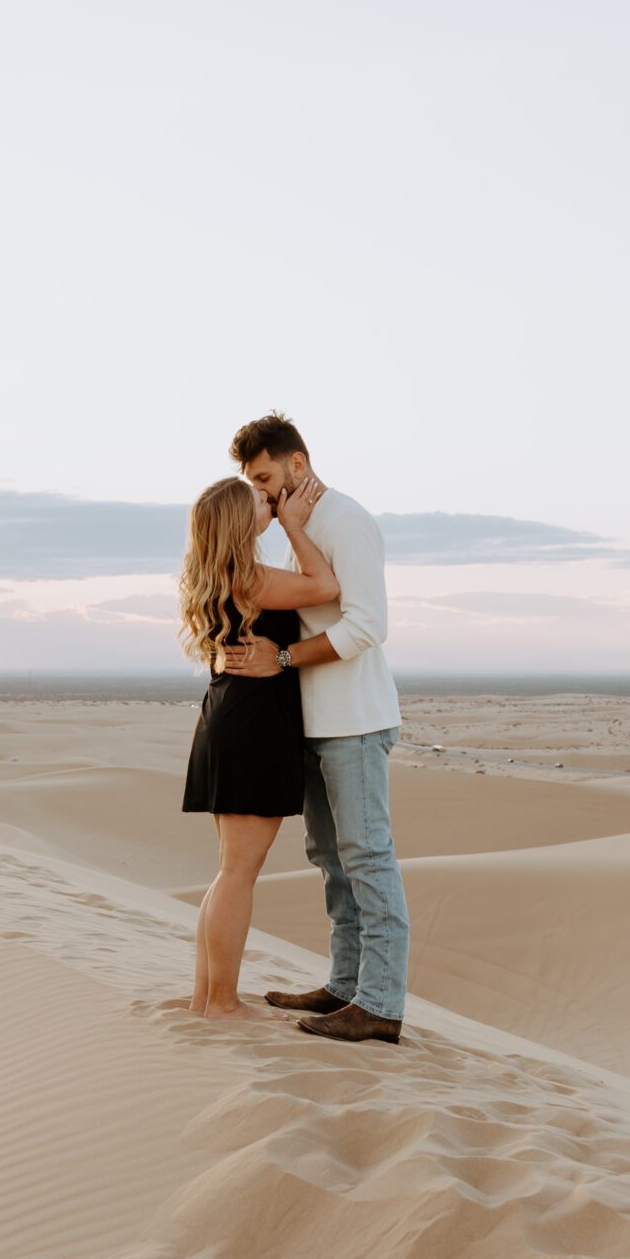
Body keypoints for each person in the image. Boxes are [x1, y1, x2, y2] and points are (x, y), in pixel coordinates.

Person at [217, 412, 409, 1045]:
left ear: (296, 465)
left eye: (266, 477)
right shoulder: (293, 528)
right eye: (253, 482)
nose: (262, 493)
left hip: (353, 721)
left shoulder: (346, 520)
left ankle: (379, 1005)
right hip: (311, 723)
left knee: (367, 858)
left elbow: (366, 626)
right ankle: (345, 985)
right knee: (329, 859)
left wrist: (285, 660)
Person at [176, 469, 339, 1019]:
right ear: (238, 520)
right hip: (251, 726)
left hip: (229, 720)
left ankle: (207, 998)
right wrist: (294, 526)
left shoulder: (222, 576)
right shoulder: (247, 577)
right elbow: (325, 587)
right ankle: (221, 1002)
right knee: (238, 874)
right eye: (260, 499)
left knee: (229, 871)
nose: (270, 500)